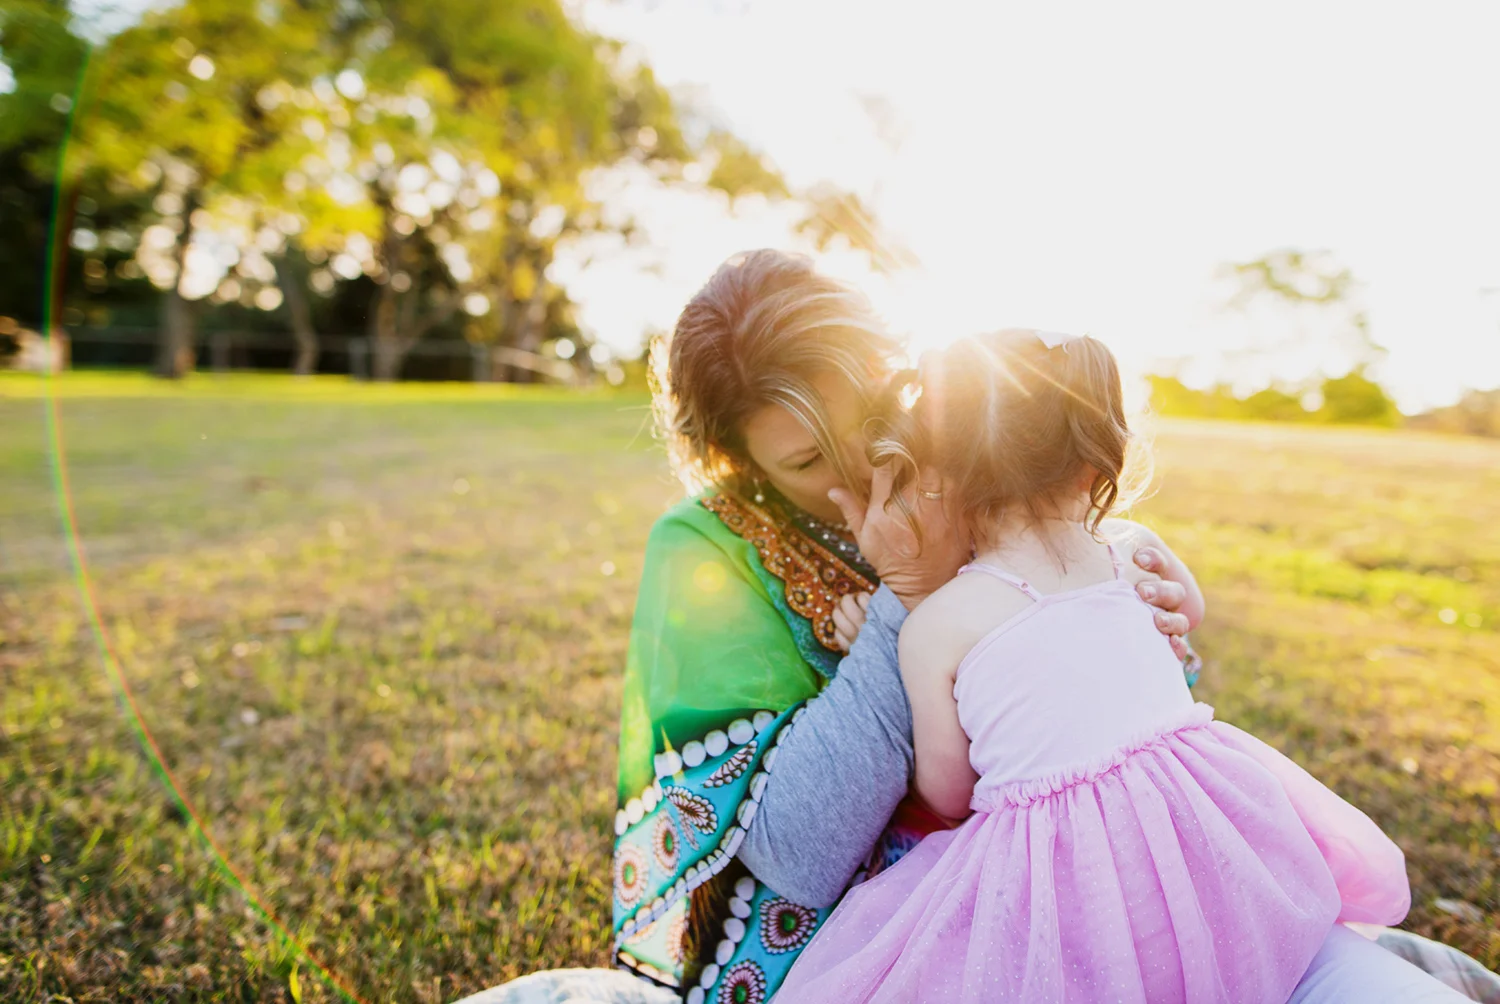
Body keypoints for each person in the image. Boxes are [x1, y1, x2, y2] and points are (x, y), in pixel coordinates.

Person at [460, 251, 1497, 1004]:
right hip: (884, 930)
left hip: (1088, 873)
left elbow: (1116, 703)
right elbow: (799, 852)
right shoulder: (708, 549)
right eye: (807, 462)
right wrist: (910, 597)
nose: (862, 471)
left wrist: (1140, 592)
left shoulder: (968, 450)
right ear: (739, 463)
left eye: (872, 420)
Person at [775, 328, 1410, 1003]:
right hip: (1207, 839)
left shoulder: (935, 624)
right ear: (1094, 463)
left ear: (938, 477)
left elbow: (950, 794)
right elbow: (1185, 612)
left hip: (1065, 884)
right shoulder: (1135, 548)